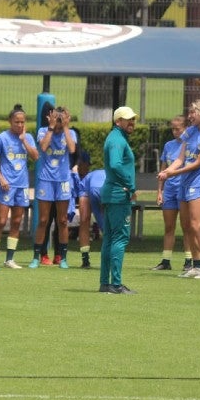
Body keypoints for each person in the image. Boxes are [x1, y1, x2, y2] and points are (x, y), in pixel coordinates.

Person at [157, 99, 200, 279]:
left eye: (193, 113)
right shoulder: (190, 132)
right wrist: (167, 171)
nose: (190, 116)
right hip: (184, 184)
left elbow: (197, 163)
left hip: (198, 185)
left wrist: (171, 174)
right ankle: (196, 265)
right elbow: (180, 158)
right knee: (187, 226)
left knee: (196, 225)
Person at [0, 104, 39, 269]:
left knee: (17, 221)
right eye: (17, 122)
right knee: (1, 221)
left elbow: (36, 156)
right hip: (6, 186)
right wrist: (1, 178)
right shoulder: (2, 138)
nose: (20, 125)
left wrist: (24, 141)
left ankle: (9, 259)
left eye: (22, 122)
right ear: (10, 121)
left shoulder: (28, 137)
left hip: (22, 185)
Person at [29, 105, 77, 269]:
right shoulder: (44, 131)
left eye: (61, 118)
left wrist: (65, 127)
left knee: (62, 220)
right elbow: (42, 147)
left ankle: (62, 257)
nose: (58, 121)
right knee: (43, 220)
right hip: (45, 180)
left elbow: (71, 149)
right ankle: (37, 256)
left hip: (63, 180)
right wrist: (51, 127)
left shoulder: (69, 133)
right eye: (56, 118)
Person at [99, 106, 137, 294]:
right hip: (118, 195)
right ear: (117, 121)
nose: (132, 122)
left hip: (111, 193)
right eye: (127, 119)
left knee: (109, 239)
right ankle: (116, 284)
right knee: (120, 238)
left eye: (133, 119)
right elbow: (115, 164)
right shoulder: (117, 140)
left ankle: (105, 282)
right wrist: (130, 184)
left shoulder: (116, 138)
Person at [151, 115, 195, 272]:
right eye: (173, 129)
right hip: (169, 191)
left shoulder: (189, 144)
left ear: (185, 128)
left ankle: (189, 260)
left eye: (178, 129)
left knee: (186, 227)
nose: (175, 132)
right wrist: (159, 191)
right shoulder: (168, 145)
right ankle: (166, 260)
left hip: (183, 190)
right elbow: (163, 169)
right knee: (169, 227)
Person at [77, 168, 105, 269]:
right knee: (84, 220)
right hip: (88, 186)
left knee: (106, 226)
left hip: (100, 188)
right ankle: (85, 259)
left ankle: (108, 259)